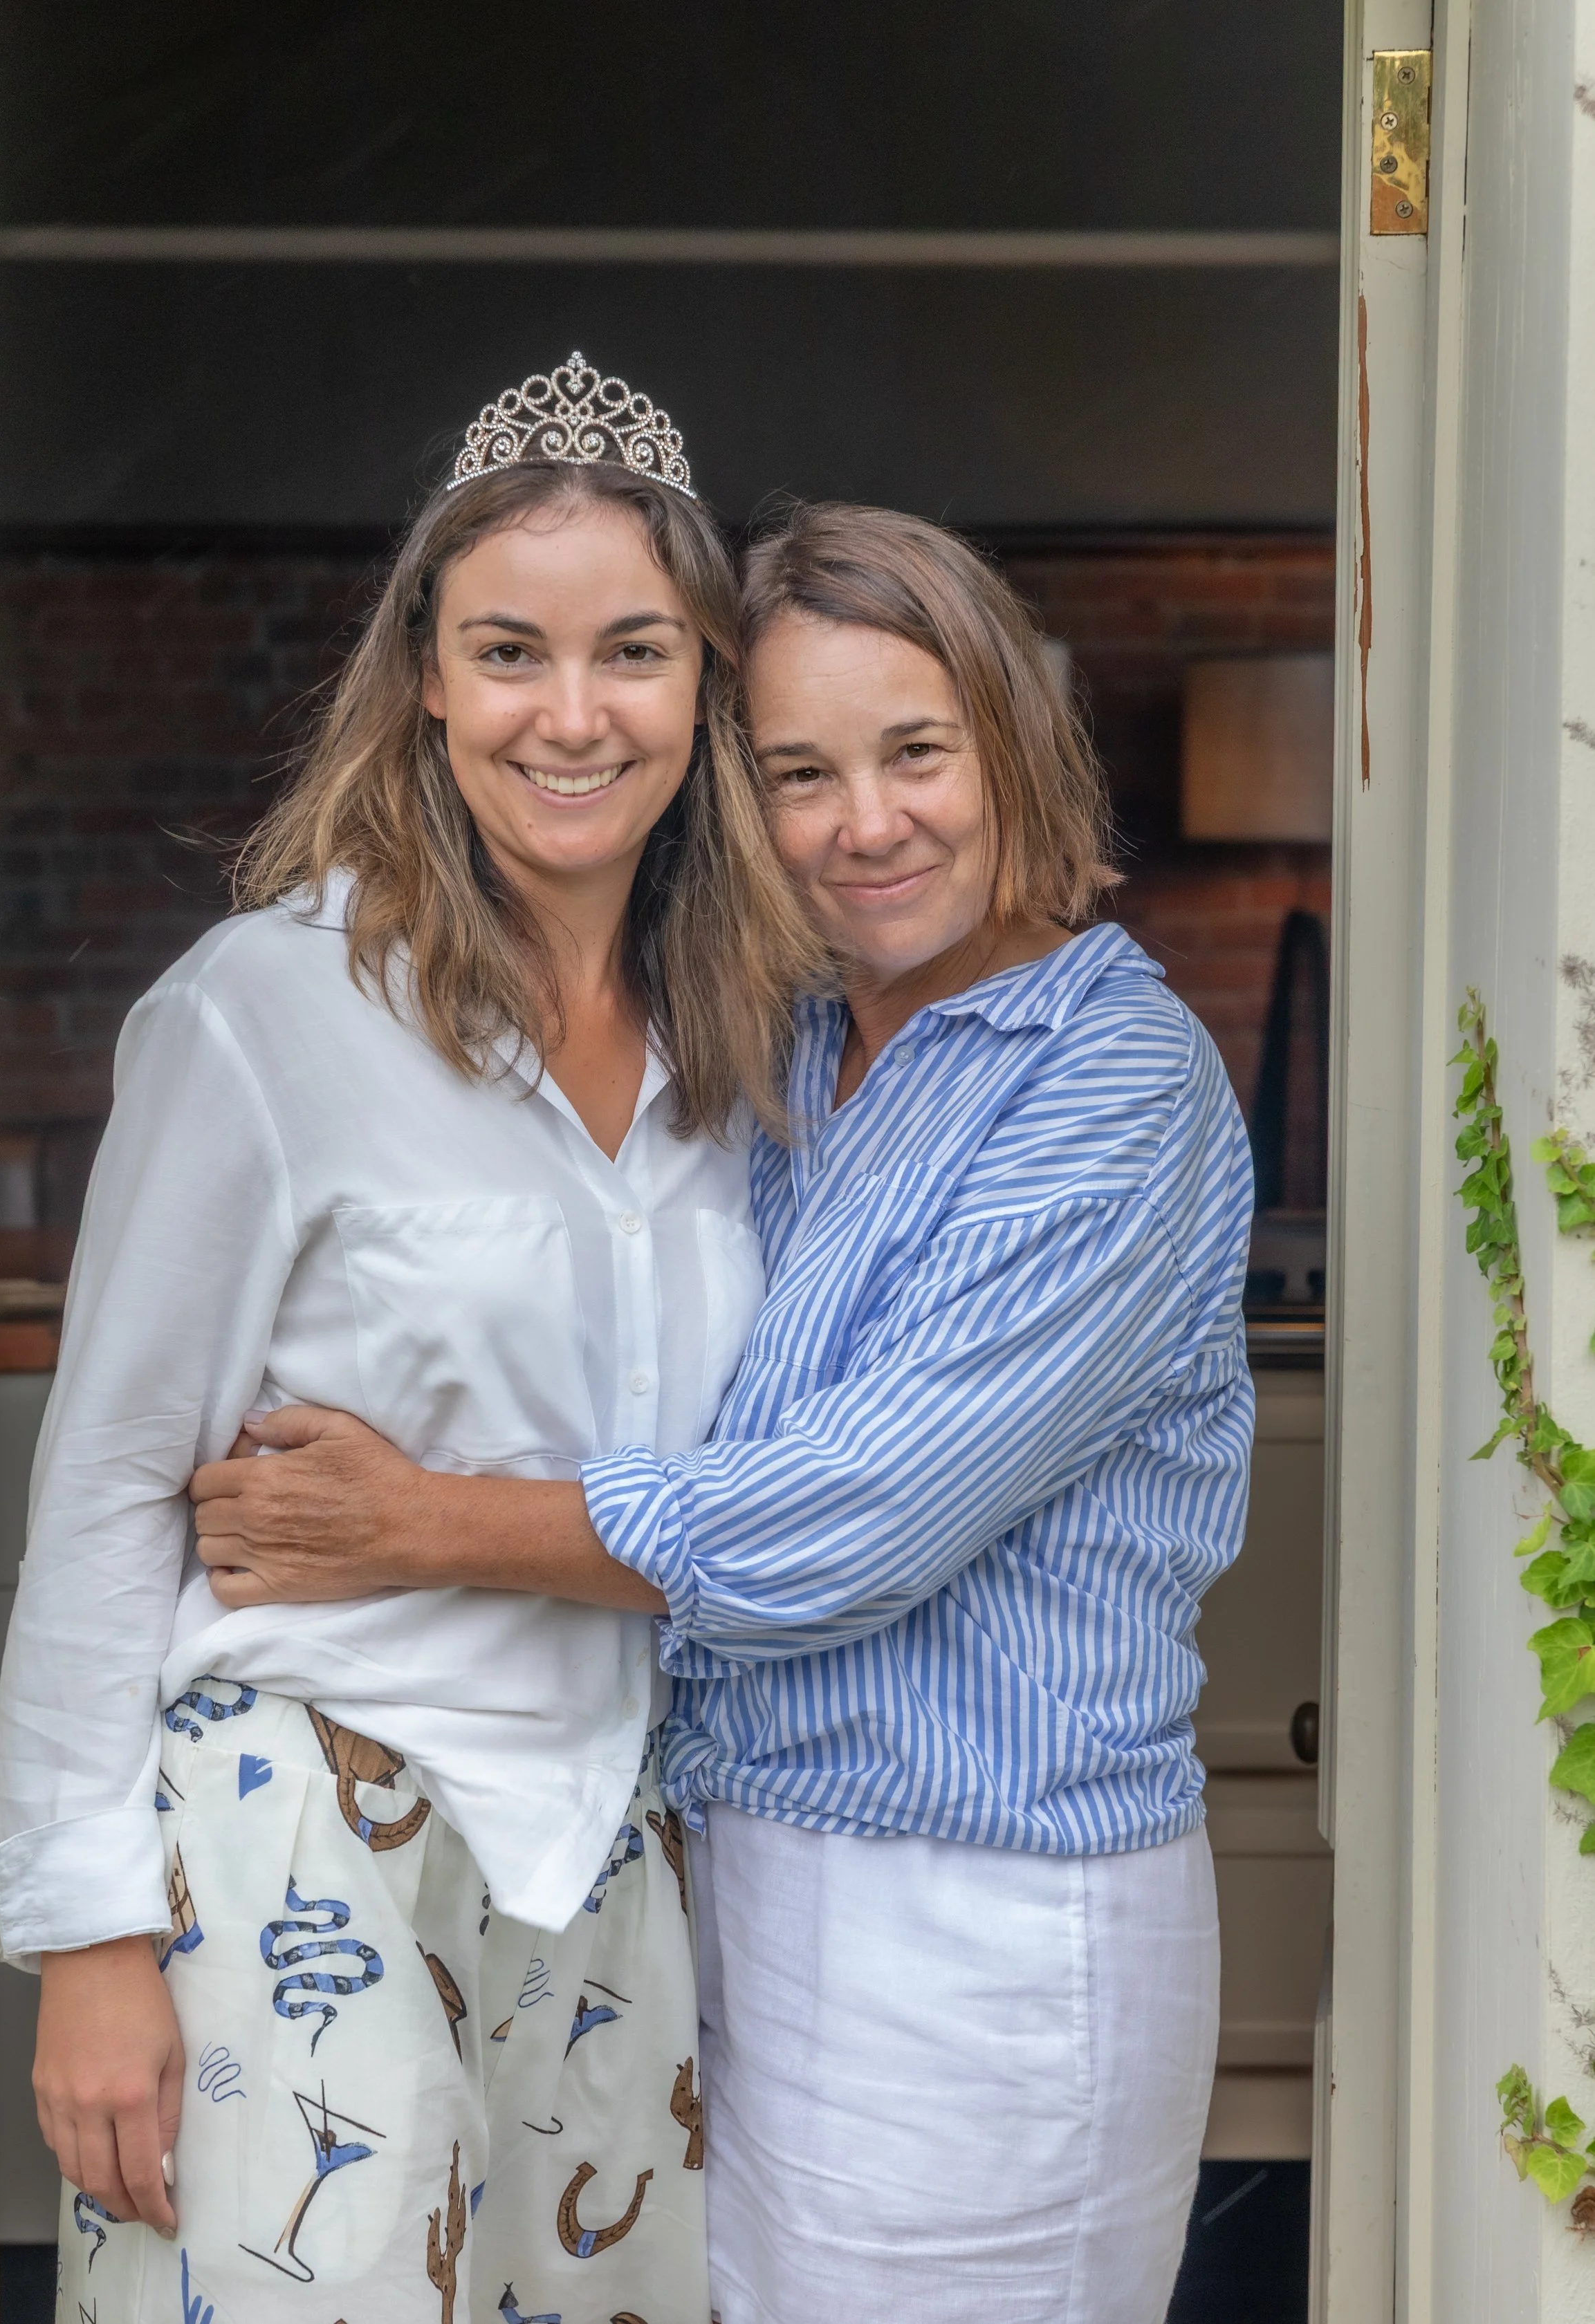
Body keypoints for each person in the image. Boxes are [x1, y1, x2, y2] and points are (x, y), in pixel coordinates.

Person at [190, 501, 1257, 2324]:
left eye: (914, 753)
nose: (864, 825)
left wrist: (413, 1523)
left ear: (1006, 741)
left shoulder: (1109, 1086)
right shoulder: (783, 1058)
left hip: (981, 1922)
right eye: (795, 774)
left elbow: (842, 1526)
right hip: (729, 1888)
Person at [0, 354, 820, 2324]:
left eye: (630, 652)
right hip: (290, 1819)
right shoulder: (267, 1017)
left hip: (610, 1842)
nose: (570, 712)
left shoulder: (753, 1056)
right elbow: (109, 1474)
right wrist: (91, 1939)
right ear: (426, 681)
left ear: (704, 685)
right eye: (506, 651)